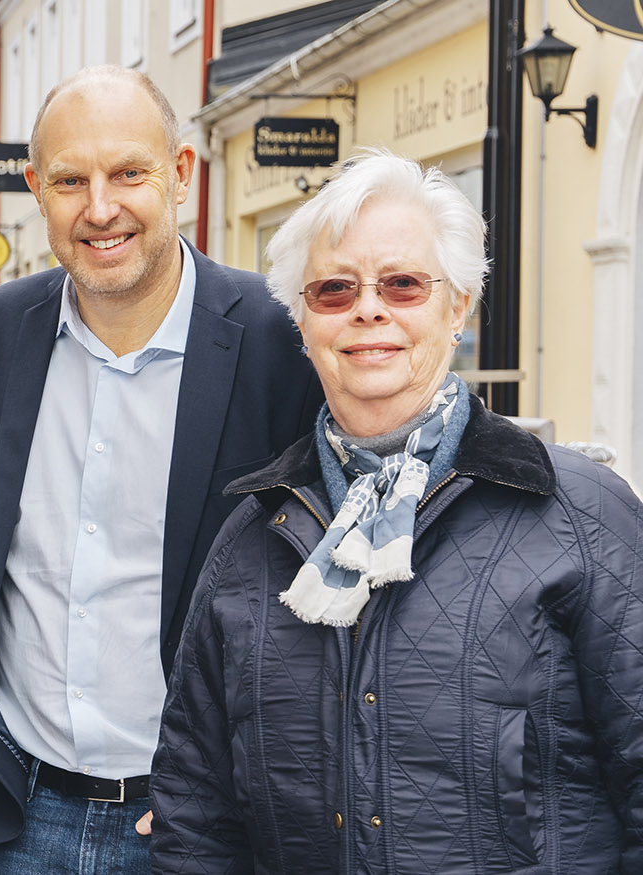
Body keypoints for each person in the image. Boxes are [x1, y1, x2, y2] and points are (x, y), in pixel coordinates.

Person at [150, 150, 643, 872]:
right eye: (333, 289)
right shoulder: (250, 540)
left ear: (459, 306)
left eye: (404, 284)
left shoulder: (579, 515)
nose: (368, 309)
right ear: (303, 322)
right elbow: (196, 817)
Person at [0, 65, 322, 875]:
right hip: (12, 811)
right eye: (70, 180)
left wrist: (243, 787)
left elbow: (308, 586)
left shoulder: (277, 340)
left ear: (180, 173)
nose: (100, 208)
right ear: (36, 187)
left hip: (193, 827)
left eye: (129, 173)